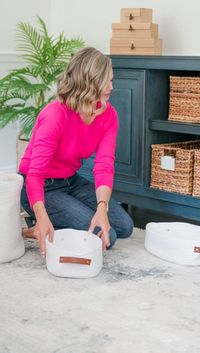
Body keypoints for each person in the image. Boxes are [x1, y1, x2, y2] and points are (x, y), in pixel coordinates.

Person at [19, 47, 133, 256]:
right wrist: (41, 211)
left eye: (112, 80)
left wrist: (102, 207)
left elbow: (104, 165)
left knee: (124, 227)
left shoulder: (108, 115)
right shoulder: (56, 115)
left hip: (70, 180)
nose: (111, 87)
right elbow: (34, 174)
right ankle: (40, 222)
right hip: (40, 186)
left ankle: (53, 221)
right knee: (107, 236)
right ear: (89, 82)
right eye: (106, 81)